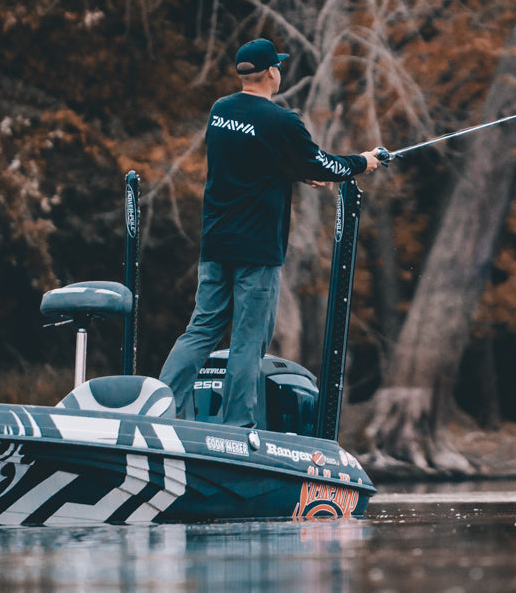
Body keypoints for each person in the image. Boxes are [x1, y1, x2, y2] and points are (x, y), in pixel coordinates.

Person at [157, 38, 380, 428]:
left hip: (216, 242)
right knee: (248, 339)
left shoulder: (220, 111)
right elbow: (324, 163)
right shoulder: (282, 120)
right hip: (257, 249)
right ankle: (237, 426)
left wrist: (299, 171)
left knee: (201, 329)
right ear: (272, 72)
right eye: (277, 65)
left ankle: (156, 409)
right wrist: (362, 161)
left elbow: (253, 159)